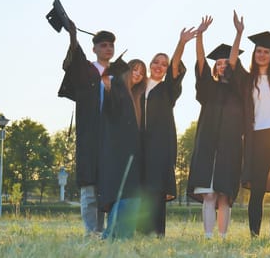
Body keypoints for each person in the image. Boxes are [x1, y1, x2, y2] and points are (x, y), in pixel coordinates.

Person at [229, 11, 270, 238]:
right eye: (259, 51)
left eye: (266, 51)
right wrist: (239, 33)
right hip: (256, 138)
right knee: (257, 191)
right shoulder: (247, 80)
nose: (262, 54)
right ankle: (254, 235)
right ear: (254, 54)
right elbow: (232, 62)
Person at [58, 20, 127, 235]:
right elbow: (73, 58)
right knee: (89, 186)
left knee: (111, 184)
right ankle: (92, 231)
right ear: (94, 48)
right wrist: (72, 35)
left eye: (110, 45)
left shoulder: (121, 72)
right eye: (103, 45)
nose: (108, 48)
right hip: (89, 136)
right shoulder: (86, 70)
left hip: (114, 138)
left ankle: (110, 230)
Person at [187, 15, 244, 239]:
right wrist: (199, 36)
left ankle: (222, 237)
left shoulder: (238, 90)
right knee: (209, 195)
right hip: (207, 146)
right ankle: (209, 237)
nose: (222, 66)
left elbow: (234, 63)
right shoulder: (207, 89)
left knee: (224, 196)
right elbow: (200, 63)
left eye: (225, 63)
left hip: (229, 147)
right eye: (218, 64)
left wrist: (238, 34)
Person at [139, 26, 199, 237]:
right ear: (149, 64)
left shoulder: (168, 90)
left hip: (160, 144)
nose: (159, 66)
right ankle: (139, 230)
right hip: (138, 144)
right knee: (140, 188)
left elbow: (176, 67)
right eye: (156, 61)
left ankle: (157, 233)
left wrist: (181, 43)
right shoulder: (138, 86)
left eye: (163, 64)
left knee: (156, 189)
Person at [98, 59, 146, 240]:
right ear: (127, 71)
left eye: (141, 72)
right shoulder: (118, 87)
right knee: (123, 192)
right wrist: (108, 86)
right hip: (119, 151)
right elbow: (110, 109)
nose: (137, 74)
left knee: (130, 192)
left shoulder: (135, 95)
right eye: (134, 69)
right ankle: (111, 233)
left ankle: (124, 233)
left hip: (131, 151)